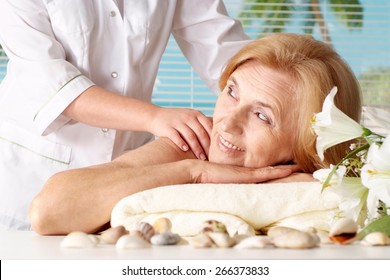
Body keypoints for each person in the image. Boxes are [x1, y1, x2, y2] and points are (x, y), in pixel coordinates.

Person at [30, 33, 362, 235]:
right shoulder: (194, 147)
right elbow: (49, 211)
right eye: (232, 92)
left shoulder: (338, 185)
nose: (227, 124)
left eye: (262, 115)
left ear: (310, 144)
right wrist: (193, 172)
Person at [0, 0, 252, 230]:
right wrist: (154, 118)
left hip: (127, 174)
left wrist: (279, 101)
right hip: (30, 174)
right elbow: (54, 86)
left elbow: (222, 50)